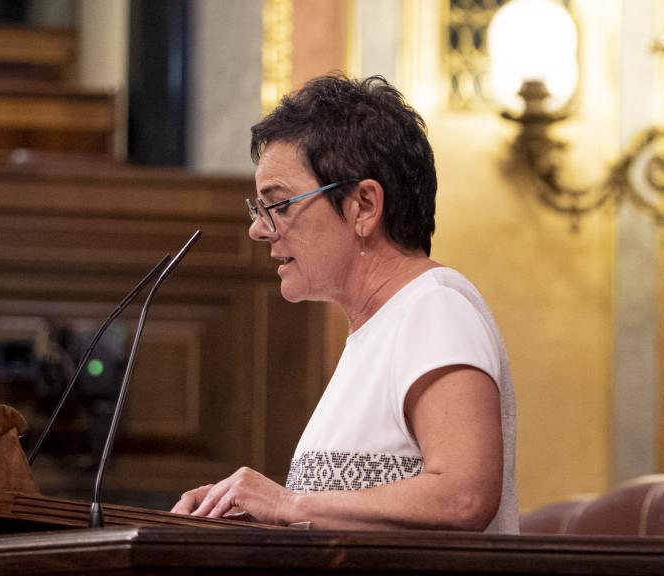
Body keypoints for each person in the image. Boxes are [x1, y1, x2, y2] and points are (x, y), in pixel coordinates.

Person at [171, 74, 518, 533]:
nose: (259, 229)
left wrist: (289, 504)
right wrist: (251, 512)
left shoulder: (434, 307)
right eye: (259, 210)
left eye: (279, 205)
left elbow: (463, 495)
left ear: (364, 206)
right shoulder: (377, 329)